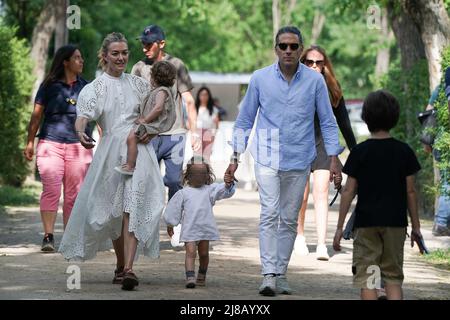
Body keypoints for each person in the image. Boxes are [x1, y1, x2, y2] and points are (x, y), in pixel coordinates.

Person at [225, 26, 343, 296]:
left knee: (289, 219)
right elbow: (245, 120)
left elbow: (327, 120)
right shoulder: (260, 79)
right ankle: (268, 274)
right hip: (266, 155)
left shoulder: (314, 82)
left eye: (293, 46)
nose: (288, 50)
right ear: (275, 49)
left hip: (300, 157)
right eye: (283, 46)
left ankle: (281, 272)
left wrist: (334, 159)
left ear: (300, 50)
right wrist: (234, 158)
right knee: (269, 213)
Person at [59, 33, 165, 291]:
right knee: (116, 211)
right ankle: (121, 264)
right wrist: (80, 131)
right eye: (115, 53)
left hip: (139, 151)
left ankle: (128, 268)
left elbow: (159, 112)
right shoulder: (95, 88)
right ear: (104, 55)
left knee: (132, 206)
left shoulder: (140, 85)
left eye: (125, 53)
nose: (121, 58)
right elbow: (83, 116)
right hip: (110, 155)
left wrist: (151, 130)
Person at [333, 90, 424, 300]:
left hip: (366, 224)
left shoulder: (360, 152)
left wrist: (339, 227)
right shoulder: (404, 152)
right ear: (395, 117)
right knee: (392, 277)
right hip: (395, 223)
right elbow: (411, 191)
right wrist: (416, 228)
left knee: (370, 279)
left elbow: (348, 191)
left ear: (365, 118)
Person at [23, 45, 93, 252]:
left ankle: (70, 238)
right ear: (65, 61)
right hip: (50, 145)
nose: (81, 61)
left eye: (81, 57)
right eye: (77, 58)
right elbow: (36, 117)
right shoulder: (49, 86)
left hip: (79, 147)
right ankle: (48, 236)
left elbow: (98, 115)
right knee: (51, 190)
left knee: (74, 195)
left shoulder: (86, 88)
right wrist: (29, 142)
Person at [294, 45, 357, 260]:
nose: (314, 66)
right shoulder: (294, 85)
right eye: (309, 62)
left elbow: (344, 123)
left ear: (324, 64)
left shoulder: (332, 88)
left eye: (318, 62)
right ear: (303, 63)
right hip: (299, 145)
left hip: (323, 146)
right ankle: (300, 237)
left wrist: (355, 152)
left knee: (321, 194)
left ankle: (321, 243)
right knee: (301, 197)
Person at [131, 24, 201, 200]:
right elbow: (133, 102)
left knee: (173, 181)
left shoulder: (176, 65)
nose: (144, 48)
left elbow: (189, 100)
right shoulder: (138, 68)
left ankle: (173, 222)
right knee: (145, 181)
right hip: (149, 135)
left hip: (175, 134)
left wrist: (195, 133)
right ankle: (146, 222)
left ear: (161, 43)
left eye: (149, 44)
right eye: (143, 44)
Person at [164, 156, 235, 288]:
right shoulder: (183, 193)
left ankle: (202, 275)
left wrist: (227, 184)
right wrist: (170, 223)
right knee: (190, 253)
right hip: (190, 228)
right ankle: (190, 277)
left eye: (202, 174)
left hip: (205, 228)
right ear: (188, 176)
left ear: (207, 176)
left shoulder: (209, 191)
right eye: (195, 174)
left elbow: (222, 191)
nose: (198, 177)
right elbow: (174, 209)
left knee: (204, 254)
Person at [115, 60, 176, 175]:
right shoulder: (160, 91)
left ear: (155, 78)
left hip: (152, 124)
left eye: (151, 76)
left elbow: (158, 108)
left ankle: (130, 166)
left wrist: (144, 120)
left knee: (131, 138)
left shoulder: (161, 92)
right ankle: (131, 164)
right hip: (152, 124)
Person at [195, 86, 220, 162]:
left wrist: (213, 135)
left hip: (208, 133)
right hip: (197, 134)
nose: (204, 97)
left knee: (206, 157)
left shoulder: (213, 110)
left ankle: (205, 173)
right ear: (199, 96)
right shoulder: (195, 109)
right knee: (197, 157)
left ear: (209, 96)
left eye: (206, 94)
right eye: (202, 94)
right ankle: (197, 173)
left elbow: (216, 125)